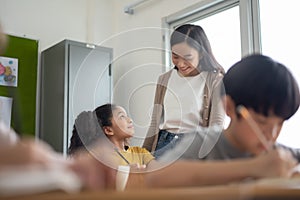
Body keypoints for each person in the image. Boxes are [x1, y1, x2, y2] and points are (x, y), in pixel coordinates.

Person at [162, 54, 300, 163]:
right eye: (261, 121)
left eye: (280, 123)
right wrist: (255, 168)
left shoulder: (276, 153)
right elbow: (157, 178)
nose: (272, 135)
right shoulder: (203, 144)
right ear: (229, 108)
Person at [143, 24, 225, 158]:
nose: (180, 64)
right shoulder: (164, 79)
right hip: (163, 144)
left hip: (194, 145)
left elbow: (216, 125)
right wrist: (143, 154)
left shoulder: (214, 80)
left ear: (202, 53)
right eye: (175, 57)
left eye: (187, 57)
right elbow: (154, 122)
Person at [68, 103, 155, 168]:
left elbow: (159, 172)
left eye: (127, 116)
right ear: (108, 130)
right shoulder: (94, 157)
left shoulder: (140, 153)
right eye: (122, 117)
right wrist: (125, 174)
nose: (130, 120)